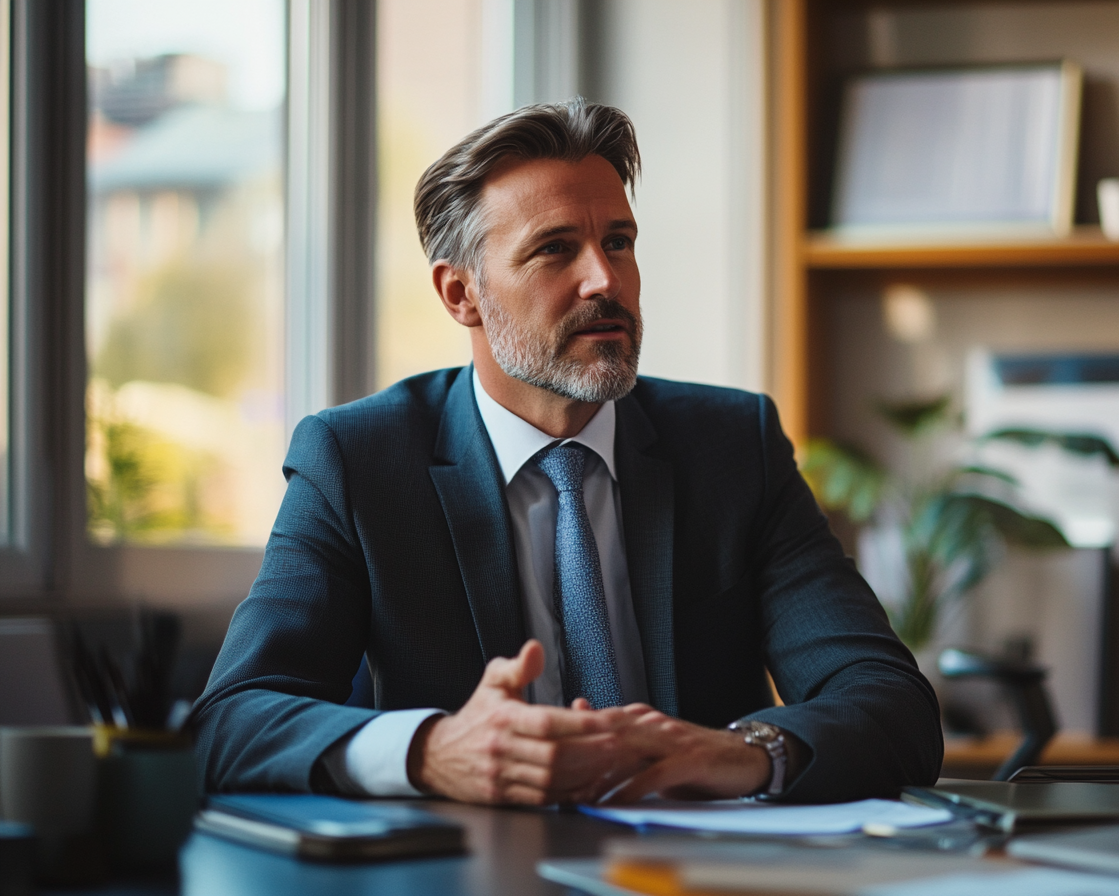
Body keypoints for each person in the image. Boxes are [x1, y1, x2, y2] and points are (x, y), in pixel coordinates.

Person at [193, 99, 942, 805]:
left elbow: (889, 701)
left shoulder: (732, 446)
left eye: (618, 241)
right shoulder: (357, 460)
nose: (605, 279)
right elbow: (230, 724)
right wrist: (432, 750)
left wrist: (746, 752)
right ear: (461, 295)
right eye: (555, 250)